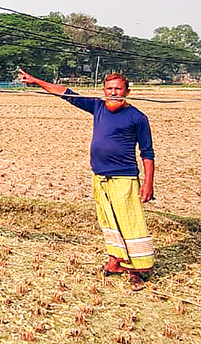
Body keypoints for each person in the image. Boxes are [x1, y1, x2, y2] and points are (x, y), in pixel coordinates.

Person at [17, 68, 155, 290]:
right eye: (109, 89)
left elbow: (147, 153)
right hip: (99, 176)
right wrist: (35, 81)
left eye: (118, 89)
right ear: (103, 91)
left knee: (130, 223)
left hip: (124, 178)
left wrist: (148, 183)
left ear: (127, 92)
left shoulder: (137, 118)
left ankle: (136, 271)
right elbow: (64, 92)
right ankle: (115, 262)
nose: (113, 93)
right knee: (109, 222)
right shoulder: (98, 107)